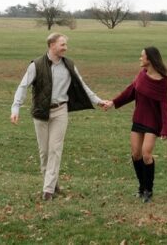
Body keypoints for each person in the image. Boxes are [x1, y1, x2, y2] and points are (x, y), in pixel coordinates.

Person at [10, 32, 105, 200]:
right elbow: (23, 86)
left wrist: (98, 101)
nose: (65, 48)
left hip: (61, 111)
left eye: (65, 45)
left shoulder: (69, 65)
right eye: (62, 45)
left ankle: (48, 190)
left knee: (55, 149)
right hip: (41, 112)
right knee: (45, 152)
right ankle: (53, 183)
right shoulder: (36, 65)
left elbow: (82, 85)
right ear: (52, 45)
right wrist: (15, 108)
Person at [102, 46, 167, 202]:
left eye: (142, 56)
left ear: (150, 59)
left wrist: (166, 128)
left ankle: (149, 190)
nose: (140, 58)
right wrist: (113, 102)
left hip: (153, 122)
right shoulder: (142, 75)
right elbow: (130, 92)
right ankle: (141, 187)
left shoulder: (161, 81)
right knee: (136, 154)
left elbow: (164, 106)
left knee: (146, 155)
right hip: (139, 119)